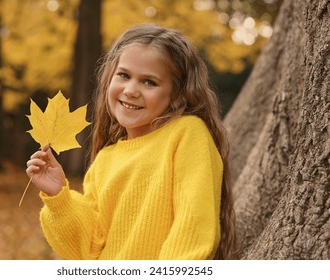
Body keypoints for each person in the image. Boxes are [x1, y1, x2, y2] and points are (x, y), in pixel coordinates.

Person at [26, 23, 237, 260]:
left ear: (177, 94)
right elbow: (89, 249)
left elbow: (194, 224)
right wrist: (58, 198)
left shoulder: (187, 134)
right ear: (109, 78)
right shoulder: (106, 159)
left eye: (149, 82)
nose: (131, 90)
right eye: (124, 75)